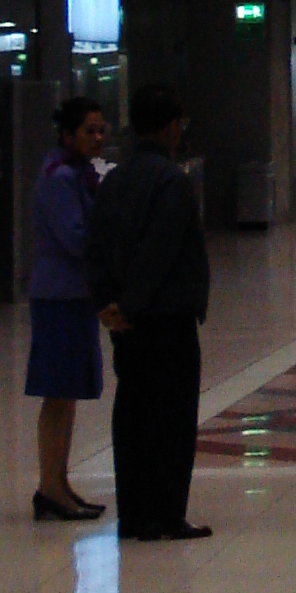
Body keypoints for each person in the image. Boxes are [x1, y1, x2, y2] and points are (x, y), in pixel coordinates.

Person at [84, 86, 212, 544]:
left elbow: (94, 245)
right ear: (171, 126)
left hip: (127, 326)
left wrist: (108, 304)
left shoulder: (114, 180)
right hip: (166, 318)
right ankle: (166, 514)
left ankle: (134, 513)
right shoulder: (172, 181)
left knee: (133, 414)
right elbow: (161, 251)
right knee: (173, 418)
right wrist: (132, 301)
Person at [27, 93, 108, 521]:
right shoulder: (61, 179)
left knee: (68, 393)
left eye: (100, 130)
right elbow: (76, 238)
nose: (97, 138)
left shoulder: (79, 175)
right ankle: (50, 486)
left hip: (73, 297)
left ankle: (58, 482)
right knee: (58, 393)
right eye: (89, 131)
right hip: (59, 296)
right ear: (68, 135)